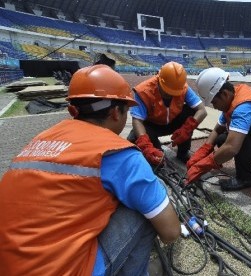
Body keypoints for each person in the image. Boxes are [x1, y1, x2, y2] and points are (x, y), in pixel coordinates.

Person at [0, 65, 180, 275]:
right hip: (67, 270)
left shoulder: (40, 140)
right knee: (144, 212)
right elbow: (171, 231)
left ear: (73, 109)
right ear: (115, 112)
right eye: (126, 112)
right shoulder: (118, 152)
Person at [128, 61, 207, 165]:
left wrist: (186, 129)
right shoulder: (143, 91)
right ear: (159, 80)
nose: (171, 95)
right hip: (152, 126)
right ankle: (155, 151)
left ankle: (183, 153)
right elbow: (137, 120)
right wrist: (146, 146)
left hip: (173, 122)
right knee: (138, 140)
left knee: (190, 112)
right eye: (168, 91)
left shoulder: (182, 87)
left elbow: (202, 110)